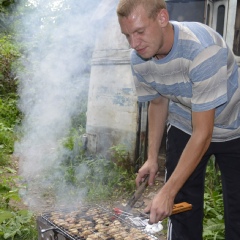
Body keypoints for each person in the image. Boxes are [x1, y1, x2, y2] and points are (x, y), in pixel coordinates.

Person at [116, 0, 240, 239]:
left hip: (234, 128)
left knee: (237, 211)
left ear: (162, 18)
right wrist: (152, 158)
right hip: (186, 123)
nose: (134, 44)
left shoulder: (202, 49)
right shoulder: (139, 58)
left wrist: (167, 190)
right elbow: (158, 101)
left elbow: (203, 133)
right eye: (127, 35)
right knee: (182, 210)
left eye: (140, 32)